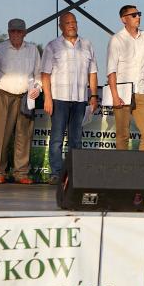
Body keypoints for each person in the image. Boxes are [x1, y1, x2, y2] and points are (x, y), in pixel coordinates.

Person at [41, 12, 99, 184]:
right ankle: (56, 173)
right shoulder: (52, 46)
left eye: (74, 22)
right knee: (57, 138)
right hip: (59, 99)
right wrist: (47, 98)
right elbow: (45, 74)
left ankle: (74, 175)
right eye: (67, 23)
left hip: (80, 99)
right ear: (60, 26)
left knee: (76, 139)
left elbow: (93, 73)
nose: (72, 25)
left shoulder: (87, 45)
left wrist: (93, 95)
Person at [0, 18, 41, 184]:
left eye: (19, 31)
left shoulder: (33, 49)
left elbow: (38, 74)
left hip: (26, 96)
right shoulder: (0, 48)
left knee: (24, 136)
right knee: (1, 136)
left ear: (25, 33)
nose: (16, 34)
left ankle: (21, 173)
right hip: (4, 95)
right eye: (13, 31)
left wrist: (37, 88)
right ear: (8, 32)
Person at [106, 5, 144, 151]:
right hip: (123, 94)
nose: (138, 17)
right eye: (133, 15)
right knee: (123, 135)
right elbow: (111, 71)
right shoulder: (116, 39)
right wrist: (115, 96)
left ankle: (143, 164)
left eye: (139, 14)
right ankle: (123, 166)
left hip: (143, 92)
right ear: (124, 19)